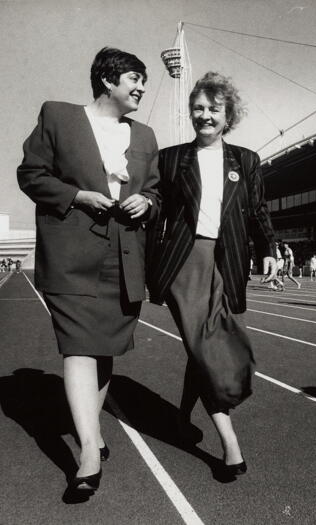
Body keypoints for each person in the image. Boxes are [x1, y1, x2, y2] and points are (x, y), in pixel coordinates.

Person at [17, 47, 160, 493]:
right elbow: (31, 174)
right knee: (78, 346)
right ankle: (88, 451)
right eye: (135, 78)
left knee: (102, 349)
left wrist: (148, 202)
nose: (141, 88)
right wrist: (77, 197)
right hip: (71, 255)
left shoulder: (147, 136)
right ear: (108, 81)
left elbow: (155, 191)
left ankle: (91, 433)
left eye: (144, 81)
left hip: (125, 257)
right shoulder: (58, 116)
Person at [147, 72, 277, 477]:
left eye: (213, 109)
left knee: (202, 347)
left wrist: (269, 248)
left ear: (228, 116)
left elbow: (256, 212)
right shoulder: (170, 159)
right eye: (198, 108)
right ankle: (231, 447)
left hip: (230, 261)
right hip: (186, 262)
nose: (204, 115)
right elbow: (156, 211)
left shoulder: (246, 160)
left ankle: (182, 415)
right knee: (209, 349)